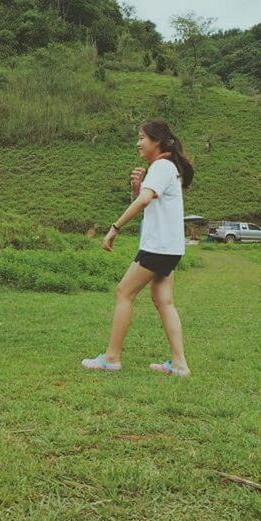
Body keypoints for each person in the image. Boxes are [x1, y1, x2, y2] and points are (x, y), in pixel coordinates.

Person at [81, 119, 195, 376]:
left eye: (142, 137)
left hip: (157, 246)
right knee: (164, 301)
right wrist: (138, 188)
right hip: (171, 247)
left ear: (157, 142)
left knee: (124, 292)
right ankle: (179, 364)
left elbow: (144, 201)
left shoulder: (161, 165)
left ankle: (111, 358)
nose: (138, 143)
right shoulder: (168, 168)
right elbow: (150, 199)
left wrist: (115, 227)